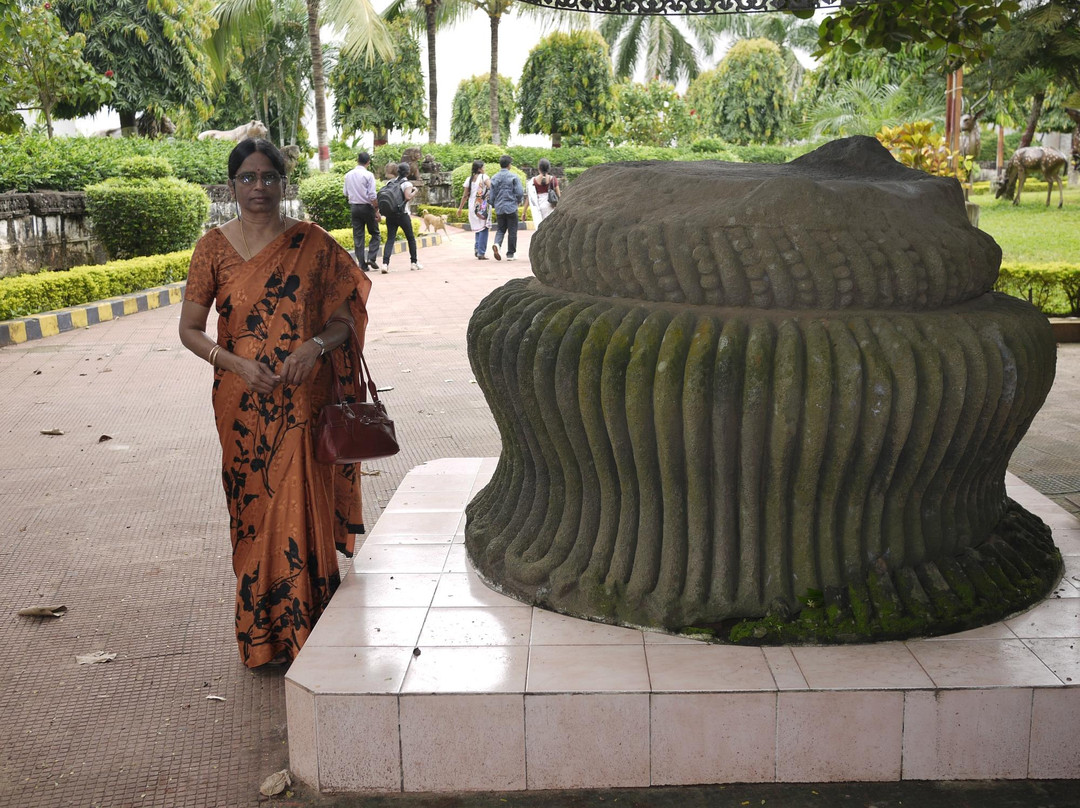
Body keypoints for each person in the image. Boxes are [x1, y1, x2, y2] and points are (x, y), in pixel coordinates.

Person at [178, 138, 372, 669]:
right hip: (241, 406)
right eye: (247, 178)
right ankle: (263, 635)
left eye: (268, 177)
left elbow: (345, 318)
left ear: (283, 183)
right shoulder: (211, 249)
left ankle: (308, 628)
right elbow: (190, 331)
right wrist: (237, 363)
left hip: (303, 403)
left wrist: (315, 346)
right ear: (232, 184)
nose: (258, 188)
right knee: (254, 511)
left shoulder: (312, 243)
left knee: (299, 500)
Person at [343, 151, 381, 271]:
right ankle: (371, 258)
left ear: (357, 160)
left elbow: (345, 193)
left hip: (354, 207)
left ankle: (362, 265)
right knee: (375, 233)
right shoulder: (368, 175)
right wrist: (376, 210)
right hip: (367, 207)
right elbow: (372, 195)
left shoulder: (348, 175)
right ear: (368, 162)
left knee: (358, 237)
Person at [381, 161, 421, 274]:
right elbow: (407, 197)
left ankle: (385, 264)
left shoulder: (390, 182)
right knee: (410, 238)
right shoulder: (407, 184)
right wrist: (415, 191)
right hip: (402, 215)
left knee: (390, 239)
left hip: (391, 215)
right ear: (408, 172)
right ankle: (414, 263)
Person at [489, 154, 524, 262]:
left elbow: (491, 195)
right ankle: (510, 254)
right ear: (509, 165)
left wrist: (493, 203)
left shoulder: (494, 177)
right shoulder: (514, 177)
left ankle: (497, 244)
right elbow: (519, 192)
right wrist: (518, 201)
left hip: (499, 207)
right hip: (511, 207)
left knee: (500, 229)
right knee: (512, 231)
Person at [456, 159, 492, 260]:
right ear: (480, 169)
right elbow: (491, 186)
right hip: (482, 205)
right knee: (484, 228)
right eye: (483, 167)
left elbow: (465, 195)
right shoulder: (484, 177)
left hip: (472, 205)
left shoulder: (469, 179)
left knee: (477, 227)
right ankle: (481, 252)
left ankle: (477, 249)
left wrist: (460, 208)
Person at [523, 157, 560, 226]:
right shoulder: (553, 179)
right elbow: (559, 195)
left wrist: (524, 212)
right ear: (548, 168)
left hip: (539, 206)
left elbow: (529, 198)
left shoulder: (533, 181)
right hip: (551, 206)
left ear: (539, 168)